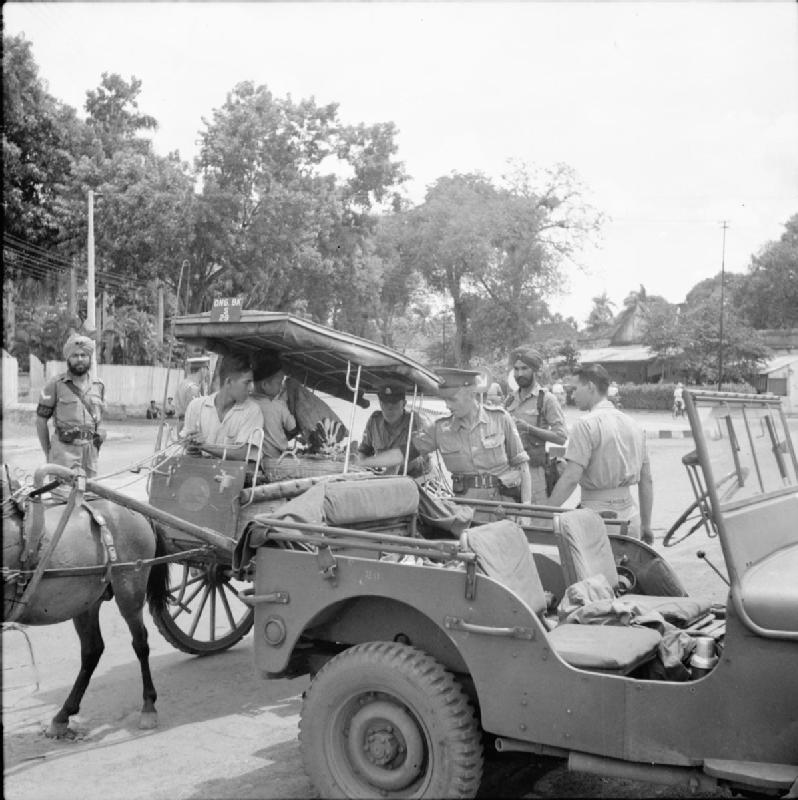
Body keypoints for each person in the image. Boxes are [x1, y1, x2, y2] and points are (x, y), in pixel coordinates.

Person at [548, 364, 654, 544]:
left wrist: (543, 512)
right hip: (631, 517)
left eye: (575, 389)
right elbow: (647, 480)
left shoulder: (585, 424)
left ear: (590, 387)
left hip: (597, 518)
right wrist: (646, 525)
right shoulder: (633, 424)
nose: (572, 395)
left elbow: (571, 478)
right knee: (625, 563)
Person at [412, 368, 532, 513]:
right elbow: (404, 452)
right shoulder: (439, 428)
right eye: (445, 400)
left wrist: (526, 507)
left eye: (452, 399)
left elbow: (521, 464)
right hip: (467, 511)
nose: (447, 405)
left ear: (471, 394)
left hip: (503, 508)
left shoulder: (500, 418)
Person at [36, 332, 106, 477]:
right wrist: (49, 453)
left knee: (91, 490)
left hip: (90, 455)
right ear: (68, 358)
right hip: (63, 454)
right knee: (62, 491)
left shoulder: (99, 386)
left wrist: (97, 443)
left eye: (83, 355)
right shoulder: (55, 385)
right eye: (75, 355)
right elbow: (41, 421)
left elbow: (99, 419)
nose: (79, 359)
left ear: (89, 358)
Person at [504, 346, 568, 504]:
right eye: (516, 369)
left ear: (535, 370)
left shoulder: (546, 399)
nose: (519, 374)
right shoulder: (509, 400)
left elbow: (561, 437)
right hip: (510, 473)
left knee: (535, 516)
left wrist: (528, 428)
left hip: (535, 472)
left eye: (524, 368)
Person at [180, 354, 261, 460]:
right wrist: (191, 445)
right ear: (228, 382)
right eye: (247, 383)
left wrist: (204, 446)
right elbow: (188, 448)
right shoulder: (196, 406)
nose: (251, 388)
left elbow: (243, 453)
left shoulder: (252, 410)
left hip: (232, 471)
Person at [356, 380, 431, 479]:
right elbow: (364, 450)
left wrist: (394, 466)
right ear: (380, 403)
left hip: (416, 478)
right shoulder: (374, 421)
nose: (389, 408)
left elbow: (419, 456)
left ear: (404, 404)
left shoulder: (415, 422)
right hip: (383, 477)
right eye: (385, 403)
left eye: (394, 403)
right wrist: (360, 465)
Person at [251, 352, 301, 458]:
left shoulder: (245, 401)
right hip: (275, 458)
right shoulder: (279, 406)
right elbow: (293, 429)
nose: (281, 387)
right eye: (279, 383)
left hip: (251, 455)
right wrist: (291, 402)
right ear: (265, 385)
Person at [174, 355, 210, 421]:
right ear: (202, 370)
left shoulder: (183, 384)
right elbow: (194, 413)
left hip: (182, 422)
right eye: (207, 369)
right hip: (189, 424)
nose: (207, 372)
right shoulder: (193, 389)